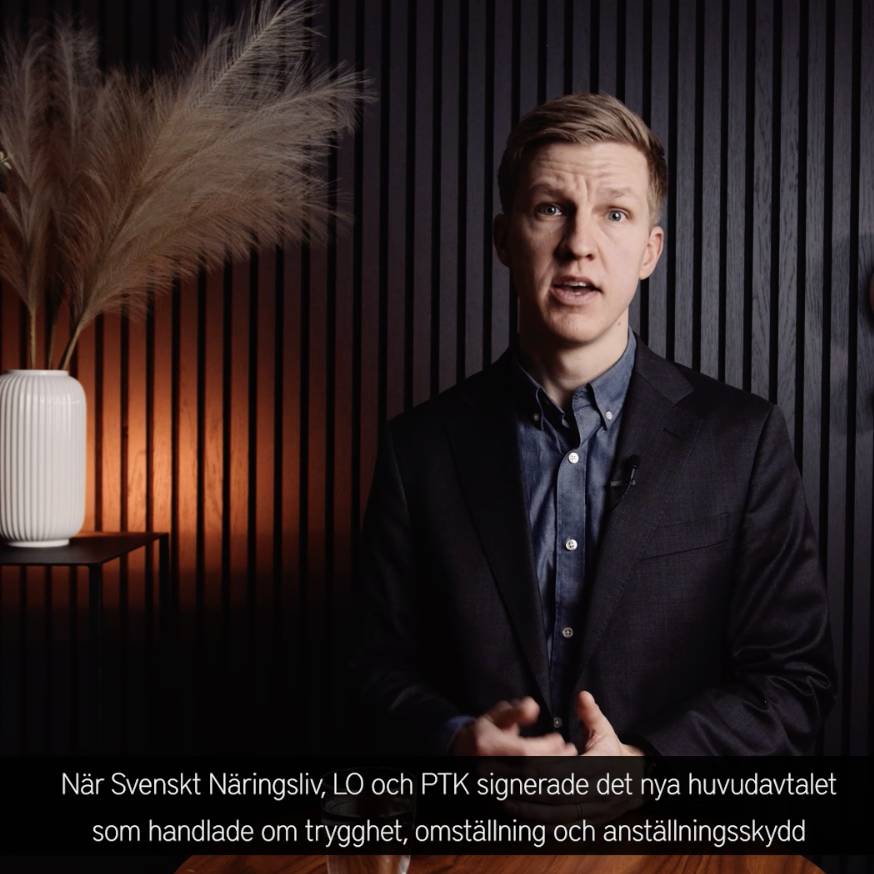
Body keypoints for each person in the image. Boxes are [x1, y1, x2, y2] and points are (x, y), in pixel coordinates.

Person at [352, 92, 836, 757]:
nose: (579, 245)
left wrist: (643, 766)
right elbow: (371, 674)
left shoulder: (742, 441)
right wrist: (458, 741)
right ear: (505, 240)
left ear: (649, 250)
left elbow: (795, 683)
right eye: (551, 209)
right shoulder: (419, 450)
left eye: (615, 214)